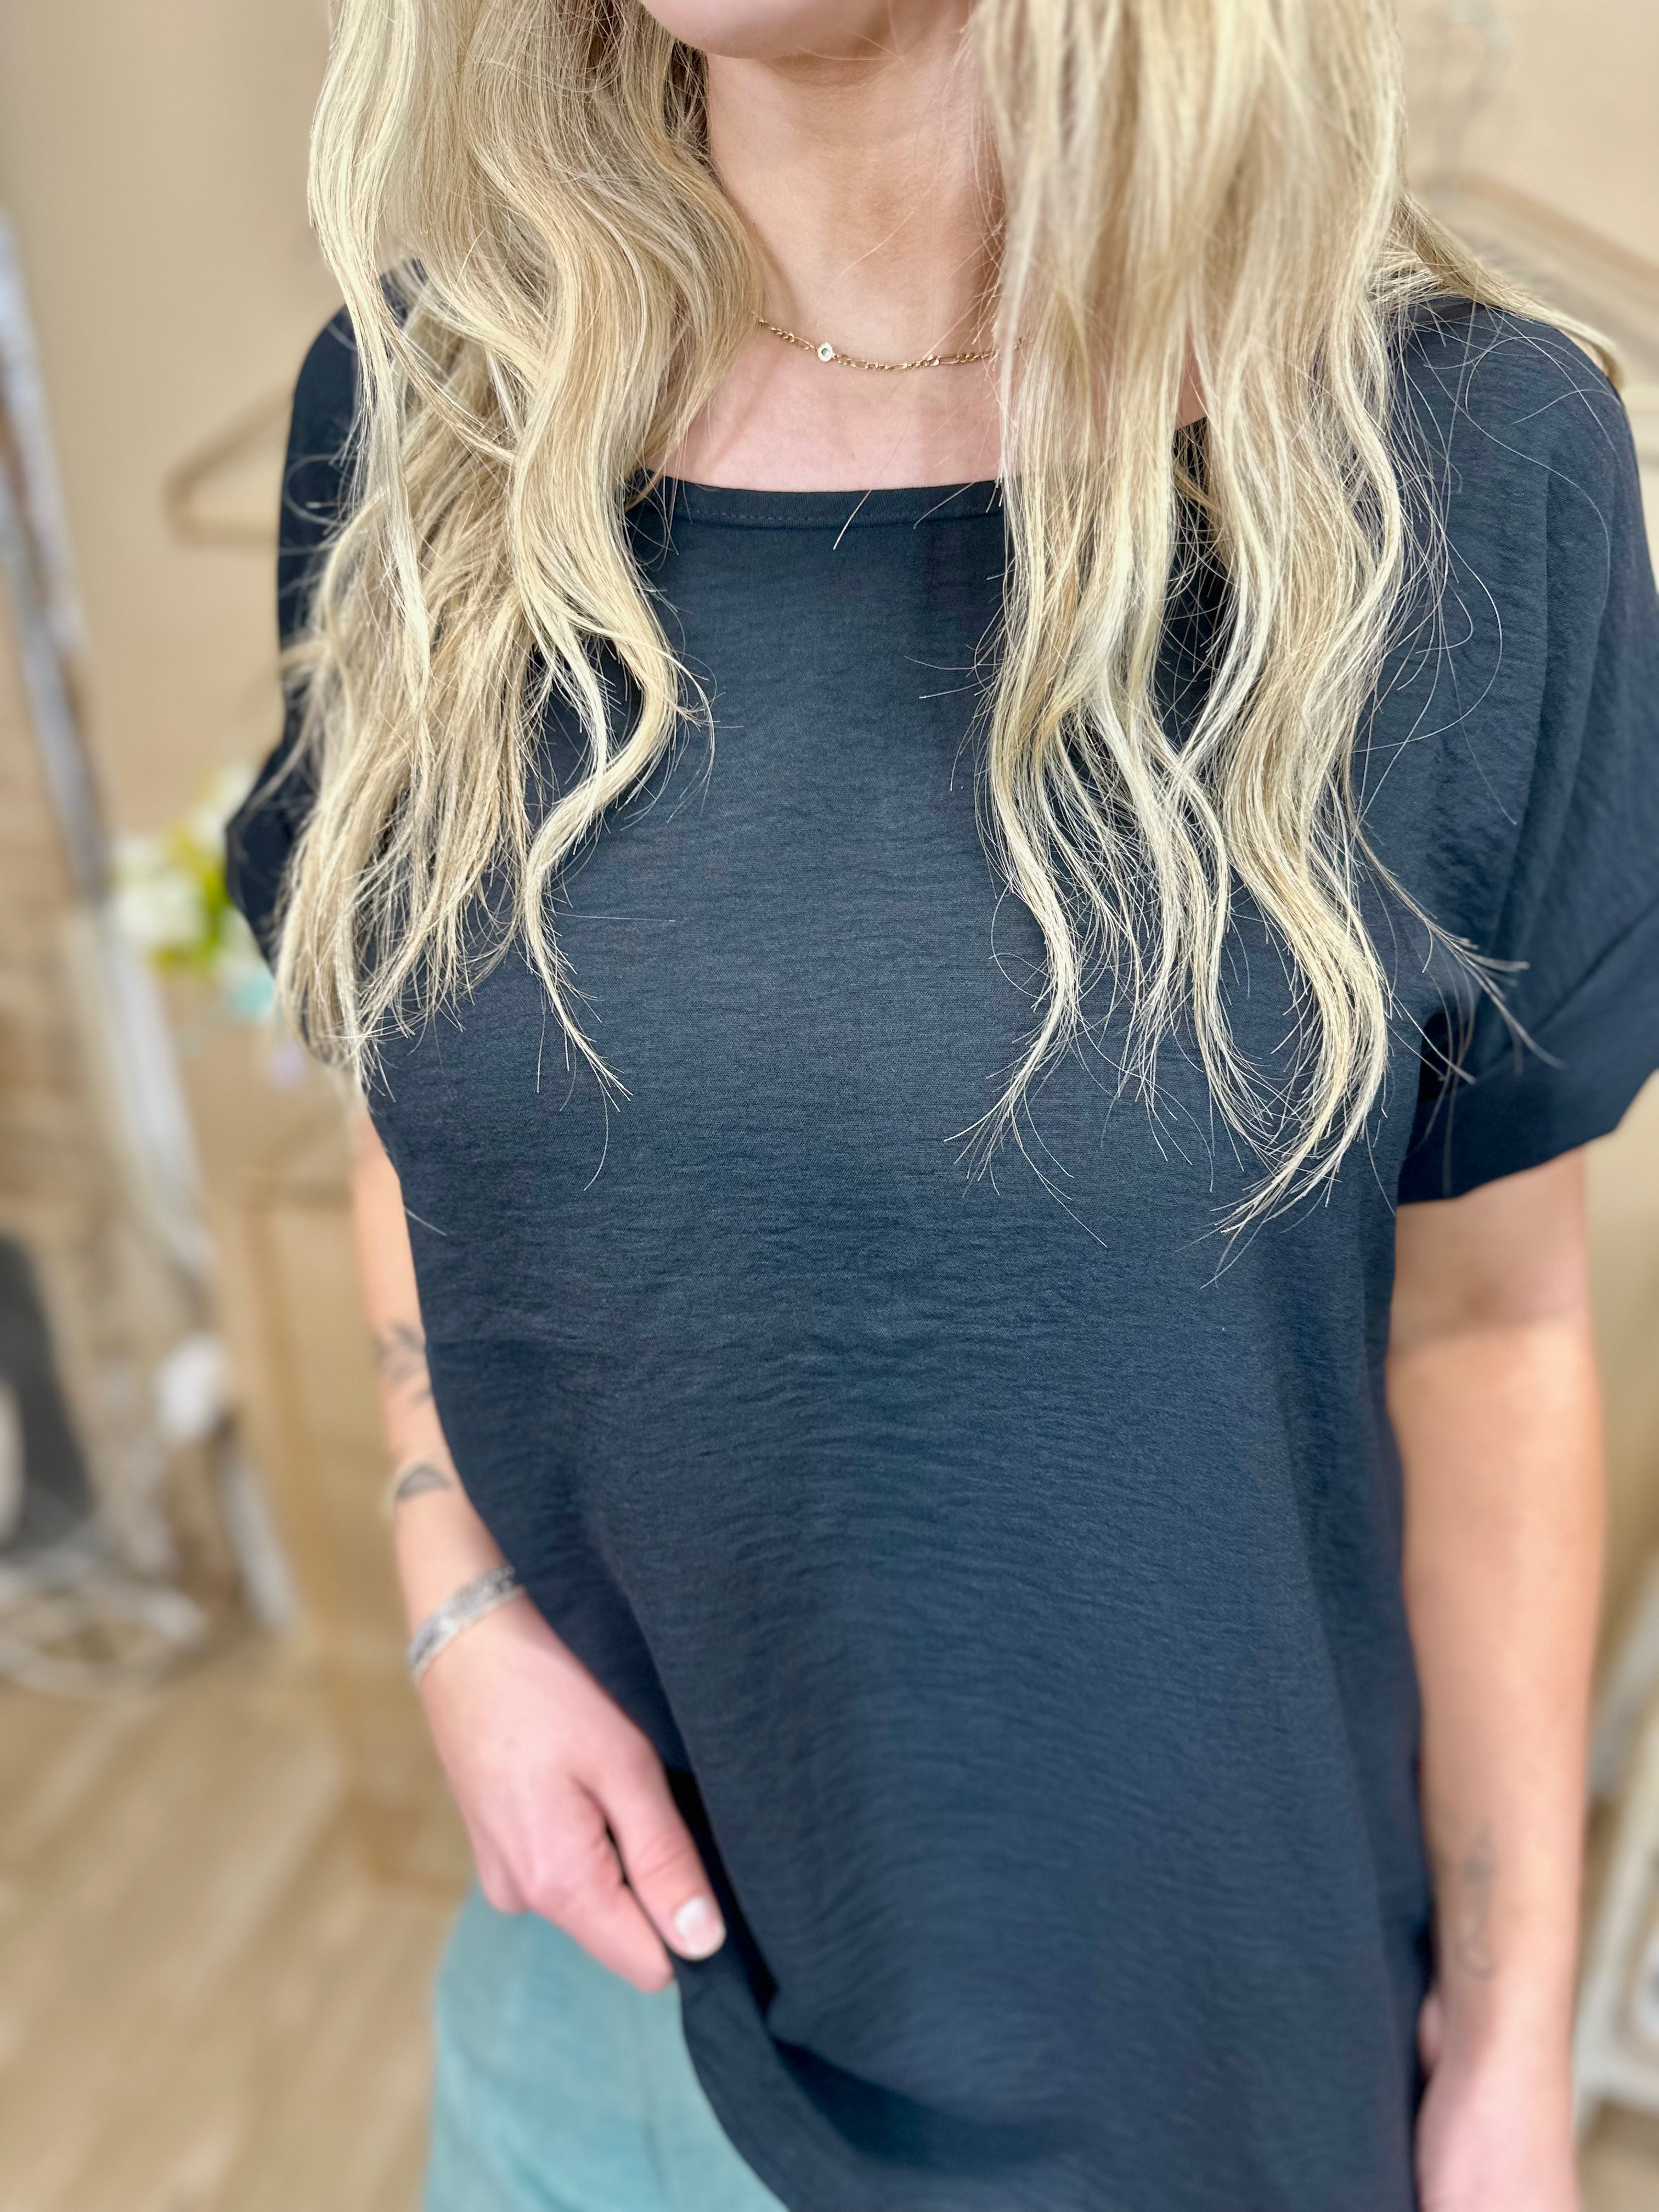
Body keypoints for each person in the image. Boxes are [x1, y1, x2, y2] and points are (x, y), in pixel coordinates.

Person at [225, 2, 1659, 2207]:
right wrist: (458, 1590)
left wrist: (1508, 2048)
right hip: (613, 2027)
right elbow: (414, 1090)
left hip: (1194, 2061)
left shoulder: (1459, 470)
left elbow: (1494, 1328)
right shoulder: (434, 414)